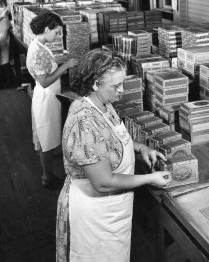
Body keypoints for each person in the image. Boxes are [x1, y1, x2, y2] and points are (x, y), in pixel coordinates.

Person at [56, 49, 171, 261]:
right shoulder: (85, 121)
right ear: (94, 84)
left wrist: (141, 148)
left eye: (123, 83)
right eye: (115, 86)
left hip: (112, 210)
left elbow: (114, 136)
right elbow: (103, 182)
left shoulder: (103, 104)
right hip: (94, 215)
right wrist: (150, 178)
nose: (122, 91)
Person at [26, 11, 78, 189]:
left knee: (48, 135)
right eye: (56, 32)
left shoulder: (39, 44)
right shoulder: (38, 51)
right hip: (45, 98)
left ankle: (48, 172)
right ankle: (47, 177)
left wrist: (59, 62)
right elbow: (45, 81)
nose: (57, 36)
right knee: (46, 138)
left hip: (48, 97)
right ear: (47, 29)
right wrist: (65, 66)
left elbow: (45, 69)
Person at [0, 0, 14, 88]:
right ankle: (6, 82)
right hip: (3, 38)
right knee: (4, 59)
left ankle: (6, 82)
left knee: (4, 59)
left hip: (3, 37)